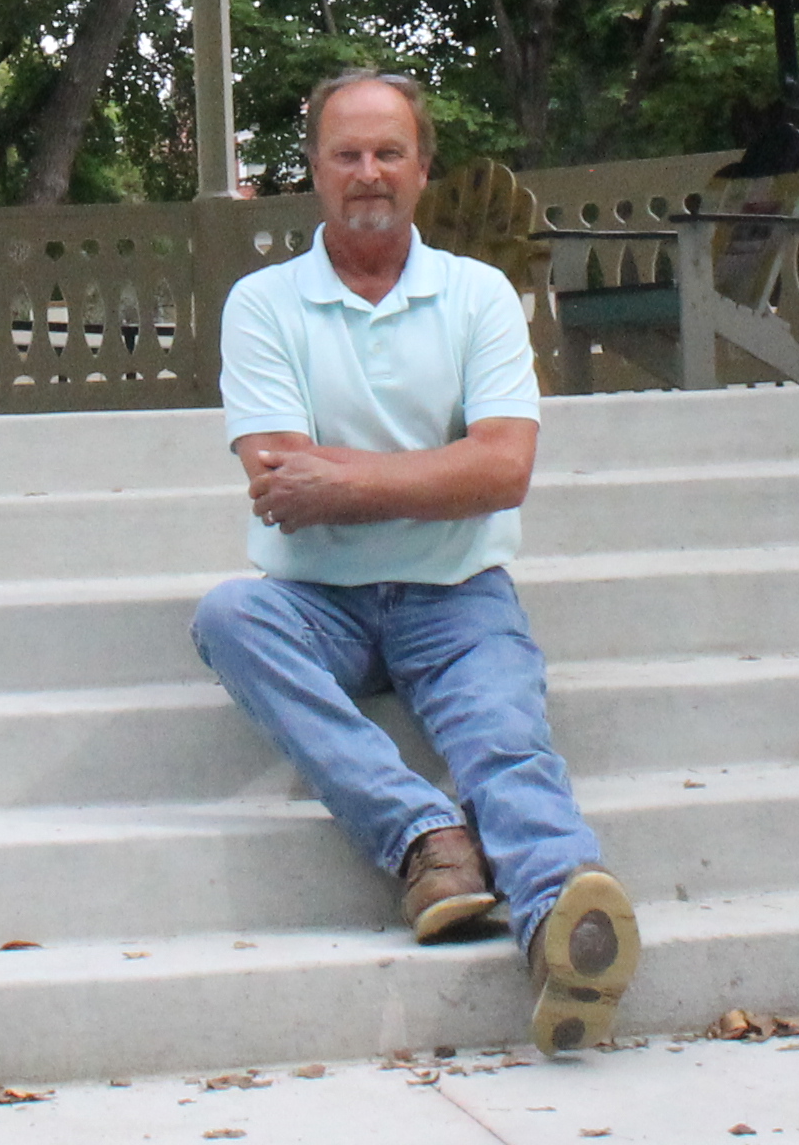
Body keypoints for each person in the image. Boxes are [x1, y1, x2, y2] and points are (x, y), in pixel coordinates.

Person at [189, 69, 640, 1055]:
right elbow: (279, 478)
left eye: (389, 152)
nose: (368, 172)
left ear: (422, 169)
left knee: (504, 738)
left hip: (458, 594)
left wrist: (344, 479)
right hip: (315, 601)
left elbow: (504, 470)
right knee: (228, 617)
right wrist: (439, 472)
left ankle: (565, 918)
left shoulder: (477, 296)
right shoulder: (263, 304)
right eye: (346, 153)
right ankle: (425, 840)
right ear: (315, 170)